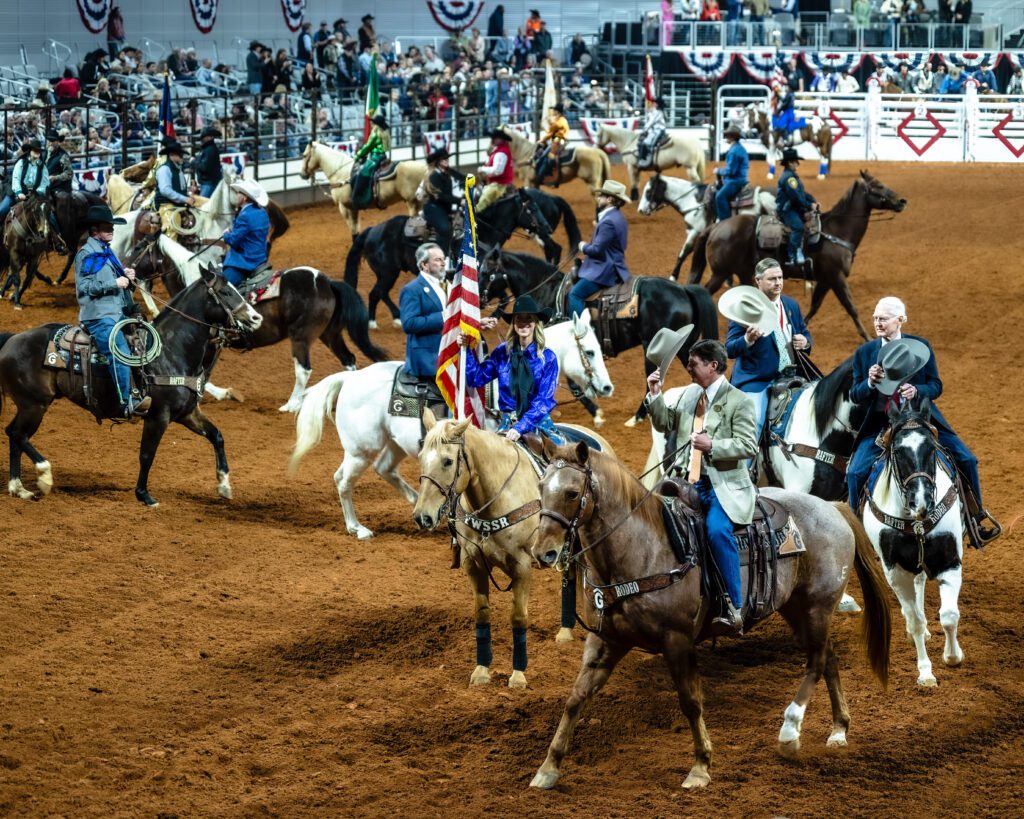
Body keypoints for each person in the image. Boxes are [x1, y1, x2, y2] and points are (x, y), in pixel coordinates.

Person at [846, 297, 999, 542]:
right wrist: (869, 383)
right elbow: (854, 394)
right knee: (854, 473)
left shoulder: (921, 346)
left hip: (921, 419)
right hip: (880, 424)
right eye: (875, 318)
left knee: (967, 459)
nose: (877, 323)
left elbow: (936, 385)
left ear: (900, 320)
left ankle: (975, 518)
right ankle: (856, 533)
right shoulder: (865, 353)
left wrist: (918, 391)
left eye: (883, 318)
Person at [646, 336, 757, 636]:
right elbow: (665, 423)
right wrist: (655, 395)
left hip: (722, 486)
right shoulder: (689, 395)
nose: (688, 369)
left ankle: (734, 607)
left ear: (714, 366)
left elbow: (749, 445)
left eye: (693, 364)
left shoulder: (740, 401)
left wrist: (713, 445)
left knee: (717, 531)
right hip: (684, 482)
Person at [75, 203, 151, 418]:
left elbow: (117, 283)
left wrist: (128, 278)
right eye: (106, 226)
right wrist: (114, 283)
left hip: (117, 313)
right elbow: (85, 288)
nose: (111, 229)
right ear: (94, 230)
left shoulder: (108, 253)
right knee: (120, 353)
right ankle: (125, 402)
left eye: (111, 226)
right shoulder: (87, 255)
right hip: (98, 316)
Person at [722, 260, 811, 440]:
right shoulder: (745, 309)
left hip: (792, 374)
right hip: (758, 379)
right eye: (772, 279)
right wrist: (747, 339)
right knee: (755, 425)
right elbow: (729, 349)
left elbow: (804, 333)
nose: (778, 282)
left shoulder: (791, 305)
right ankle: (746, 467)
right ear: (758, 281)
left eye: (780, 278)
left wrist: (806, 342)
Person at [459, 295, 563, 443]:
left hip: (537, 423)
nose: (523, 323)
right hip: (507, 425)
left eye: (529, 318)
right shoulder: (503, 352)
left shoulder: (547, 358)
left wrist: (521, 426)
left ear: (536, 323)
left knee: (560, 461)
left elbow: (544, 400)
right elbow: (476, 378)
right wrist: (467, 349)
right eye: (519, 318)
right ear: (513, 323)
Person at [569, 179, 631, 319]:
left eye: (601, 196)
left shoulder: (608, 221)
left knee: (575, 294)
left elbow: (597, 250)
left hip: (604, 270)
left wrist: (582, 246)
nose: (597, 198)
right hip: (616, 265)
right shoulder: (619, 218)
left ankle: (577, 329)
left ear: (609, 199)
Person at [400, 242, 448, 387]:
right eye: (438, 260)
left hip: (448, 354)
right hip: (427, 360)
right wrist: (442, 317)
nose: (443, 263)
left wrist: (477, 322)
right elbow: (409, 323)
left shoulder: (444, 286)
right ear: (424, 265)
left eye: (443, 259)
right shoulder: (412, 289)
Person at [775, 148, 817, 265]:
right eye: (795, 162)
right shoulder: (789, 178)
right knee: (798, 227)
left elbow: (802, 194)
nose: (797, 164)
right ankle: (792, 255)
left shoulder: (792, 176)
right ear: (790, 163)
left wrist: (813, 201)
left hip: (792, 206)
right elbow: (796, 197)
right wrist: (809, 205)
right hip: (786, 209)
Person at [420, 148, 460, 256]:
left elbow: (462, 178)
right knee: (445, 229)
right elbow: (440, 196)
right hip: (433, 208)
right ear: (438, 162)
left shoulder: (447, 172)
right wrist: (459, 201)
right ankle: (442, 258)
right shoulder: (433, 176)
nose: (447, 160)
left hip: (444, 207)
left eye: (447, 158)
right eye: (444, 159)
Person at [154, 141, 196, 242]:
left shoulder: (178, 170)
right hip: (166, 205)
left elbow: (179, 188)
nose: (182, 157)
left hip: (178, 205)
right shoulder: (164, 169)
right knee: (172, 228)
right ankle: (167, 256)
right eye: (180, 155)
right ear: (172, 155)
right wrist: (186, 198)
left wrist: (189, 192)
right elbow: (165, 190)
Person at [0, 140, 49, 224]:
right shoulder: (21, 162)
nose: (37, 153)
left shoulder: (42, 167)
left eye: (39, 151)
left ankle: (56, 234)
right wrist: (19, 193)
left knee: (49, 216)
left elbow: (44, 183)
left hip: (34, 196)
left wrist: (36, 193)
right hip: (15, 192)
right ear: (30, 151)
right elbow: (16, 179)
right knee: (1, 210)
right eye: (35, 150)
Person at [352, 113, 391, 207]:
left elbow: (368, 147)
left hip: (376, 156)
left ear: (376, 124)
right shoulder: (384, 131)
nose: (370, 123)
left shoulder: (375, 133)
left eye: (372, 122)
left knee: (363, 171)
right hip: (383, 156)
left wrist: (357, 155)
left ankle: (361, 196)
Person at [44, 128, 73, 252]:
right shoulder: (43, 154)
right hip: (45, 187)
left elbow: (69, 173)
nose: (50, 143)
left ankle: (62, 234)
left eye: (53, 141)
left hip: (60, 187)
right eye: (49, 141)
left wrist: (55, 177)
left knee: (61, 203)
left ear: (57, 142)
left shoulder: (63, 155)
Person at [713, 125, 748, 222]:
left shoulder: (734, 151)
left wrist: (718, 171)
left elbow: (731, 171)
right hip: (739, 179)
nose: (725, 137)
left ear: (732, 136)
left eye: (727, 135)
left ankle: (725, 222)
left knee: (720, 197)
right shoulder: (739, 148)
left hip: (735, 181)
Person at [476, 128, 515, 212]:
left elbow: (498, 171)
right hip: (499, 183)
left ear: (501, 139)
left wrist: (482, 169)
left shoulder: (501, 153)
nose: (492, 140)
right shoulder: (499, 150)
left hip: (499, 185)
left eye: (495, 138)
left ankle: (475, 219)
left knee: (482, 203)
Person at [536, 102, 569, 183]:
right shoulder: (562, 120)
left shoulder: (558, 122)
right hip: (560, 140)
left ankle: (541, 176)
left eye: (554, 110)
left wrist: (541, 141)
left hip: (557, 141)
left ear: (557, 112)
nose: (553, 112)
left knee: (546, 155)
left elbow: (549, 134)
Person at [637, 96, 668, 169]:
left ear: (657, 104)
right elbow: (650, 118)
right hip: (655, 131)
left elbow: (651, 122)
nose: (653, 104)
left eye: (655, 103)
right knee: (644, 142)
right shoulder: (656, 112)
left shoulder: (659, 112)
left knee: (648, 143)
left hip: (659, 131)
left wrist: (644, 131)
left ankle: (648, 159)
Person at [192, 126, 222, 198]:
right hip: (209, 182)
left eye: (203, 137)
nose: (201, 139)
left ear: (209, 137)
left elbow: (205, 167)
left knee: (202, 206)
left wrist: (194, 162)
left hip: (209, 183)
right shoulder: (209, 149)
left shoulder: (209, 150)